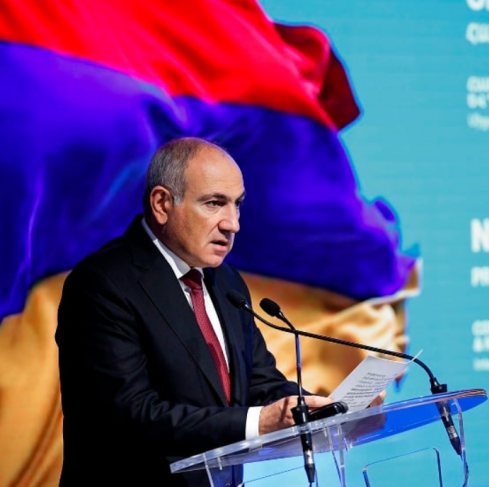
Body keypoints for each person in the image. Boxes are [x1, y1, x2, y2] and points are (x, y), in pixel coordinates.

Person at [55, 138, 342, 487]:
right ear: (162, 204)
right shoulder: (103, 284)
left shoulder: (225, 281)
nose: (232, 224)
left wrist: (330, 409)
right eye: (214, 203)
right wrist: (259, 423)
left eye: (237, 205)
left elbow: (259, 384)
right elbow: (131, 415)